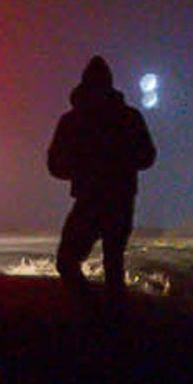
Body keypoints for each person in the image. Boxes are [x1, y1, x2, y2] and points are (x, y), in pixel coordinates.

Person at [47, 55, 156, 298]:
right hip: (114, 200)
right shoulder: (128, 117)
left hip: (96, 200)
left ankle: (95, 317)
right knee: (111, 268)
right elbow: (147, 157)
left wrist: (83, 166)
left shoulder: (72, 120)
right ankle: (105, 320)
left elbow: (54, 165)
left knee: (70, 262)